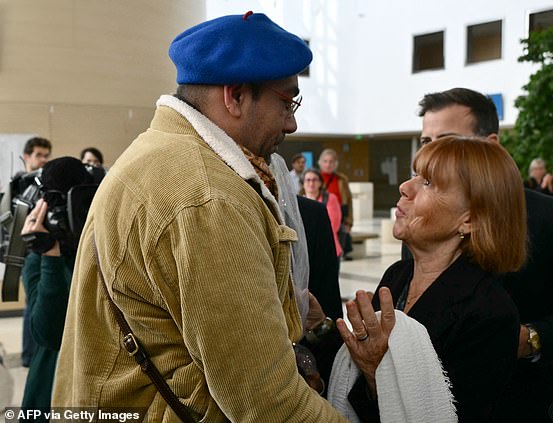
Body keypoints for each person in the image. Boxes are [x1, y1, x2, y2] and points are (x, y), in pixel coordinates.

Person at [52, 12, 349, 422]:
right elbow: (269, 404)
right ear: (235, 96)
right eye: (286, 101)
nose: (293, 122)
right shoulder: (210, 198)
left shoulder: (156, 150)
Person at [407, 87, 553, 423]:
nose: (432, 154)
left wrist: (533, 339)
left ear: (490, 145)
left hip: (523, 403)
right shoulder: (423, 219)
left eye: (447, 140)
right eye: (425, 142)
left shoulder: (550, 218)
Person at [336, 136, 526, 422]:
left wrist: (378, 372)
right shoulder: (397, 276)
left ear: (469, 220)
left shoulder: (490, 313)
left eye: (428, 183)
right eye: (415, 175)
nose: (405, 187)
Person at [19, 157, 91, 414]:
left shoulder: (103, 241)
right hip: (50, 384)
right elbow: (50, 334)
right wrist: (50, 253)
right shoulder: (37, 258)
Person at [0, 136, 52, 369]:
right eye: (39, 155)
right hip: (26, 252)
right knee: (34, 304)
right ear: (27, 156)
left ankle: (37, 353)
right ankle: (30, 357)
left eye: (46, 155)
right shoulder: (18, 184)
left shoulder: (46, 183)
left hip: (46, 249)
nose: (43, 160)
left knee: (41, 303)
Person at [318, 149, 353, 258]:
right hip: (320, 218)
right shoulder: (314, 178)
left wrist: (349, 222)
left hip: (339, 221)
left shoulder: (341, 179)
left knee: (337, 253)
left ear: (335, 164)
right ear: (320, 163)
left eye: (331, 162)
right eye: (325, 161)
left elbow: (348, 201)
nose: (328, 164)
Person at [301, 168, 344, 258]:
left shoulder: (331, 199)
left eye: (315, 180)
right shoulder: (298, 202)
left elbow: (333, 225)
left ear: (320, 183)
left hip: (328, 247)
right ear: (303, 183)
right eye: (308, 180)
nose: (311, 183)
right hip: (305, 251)